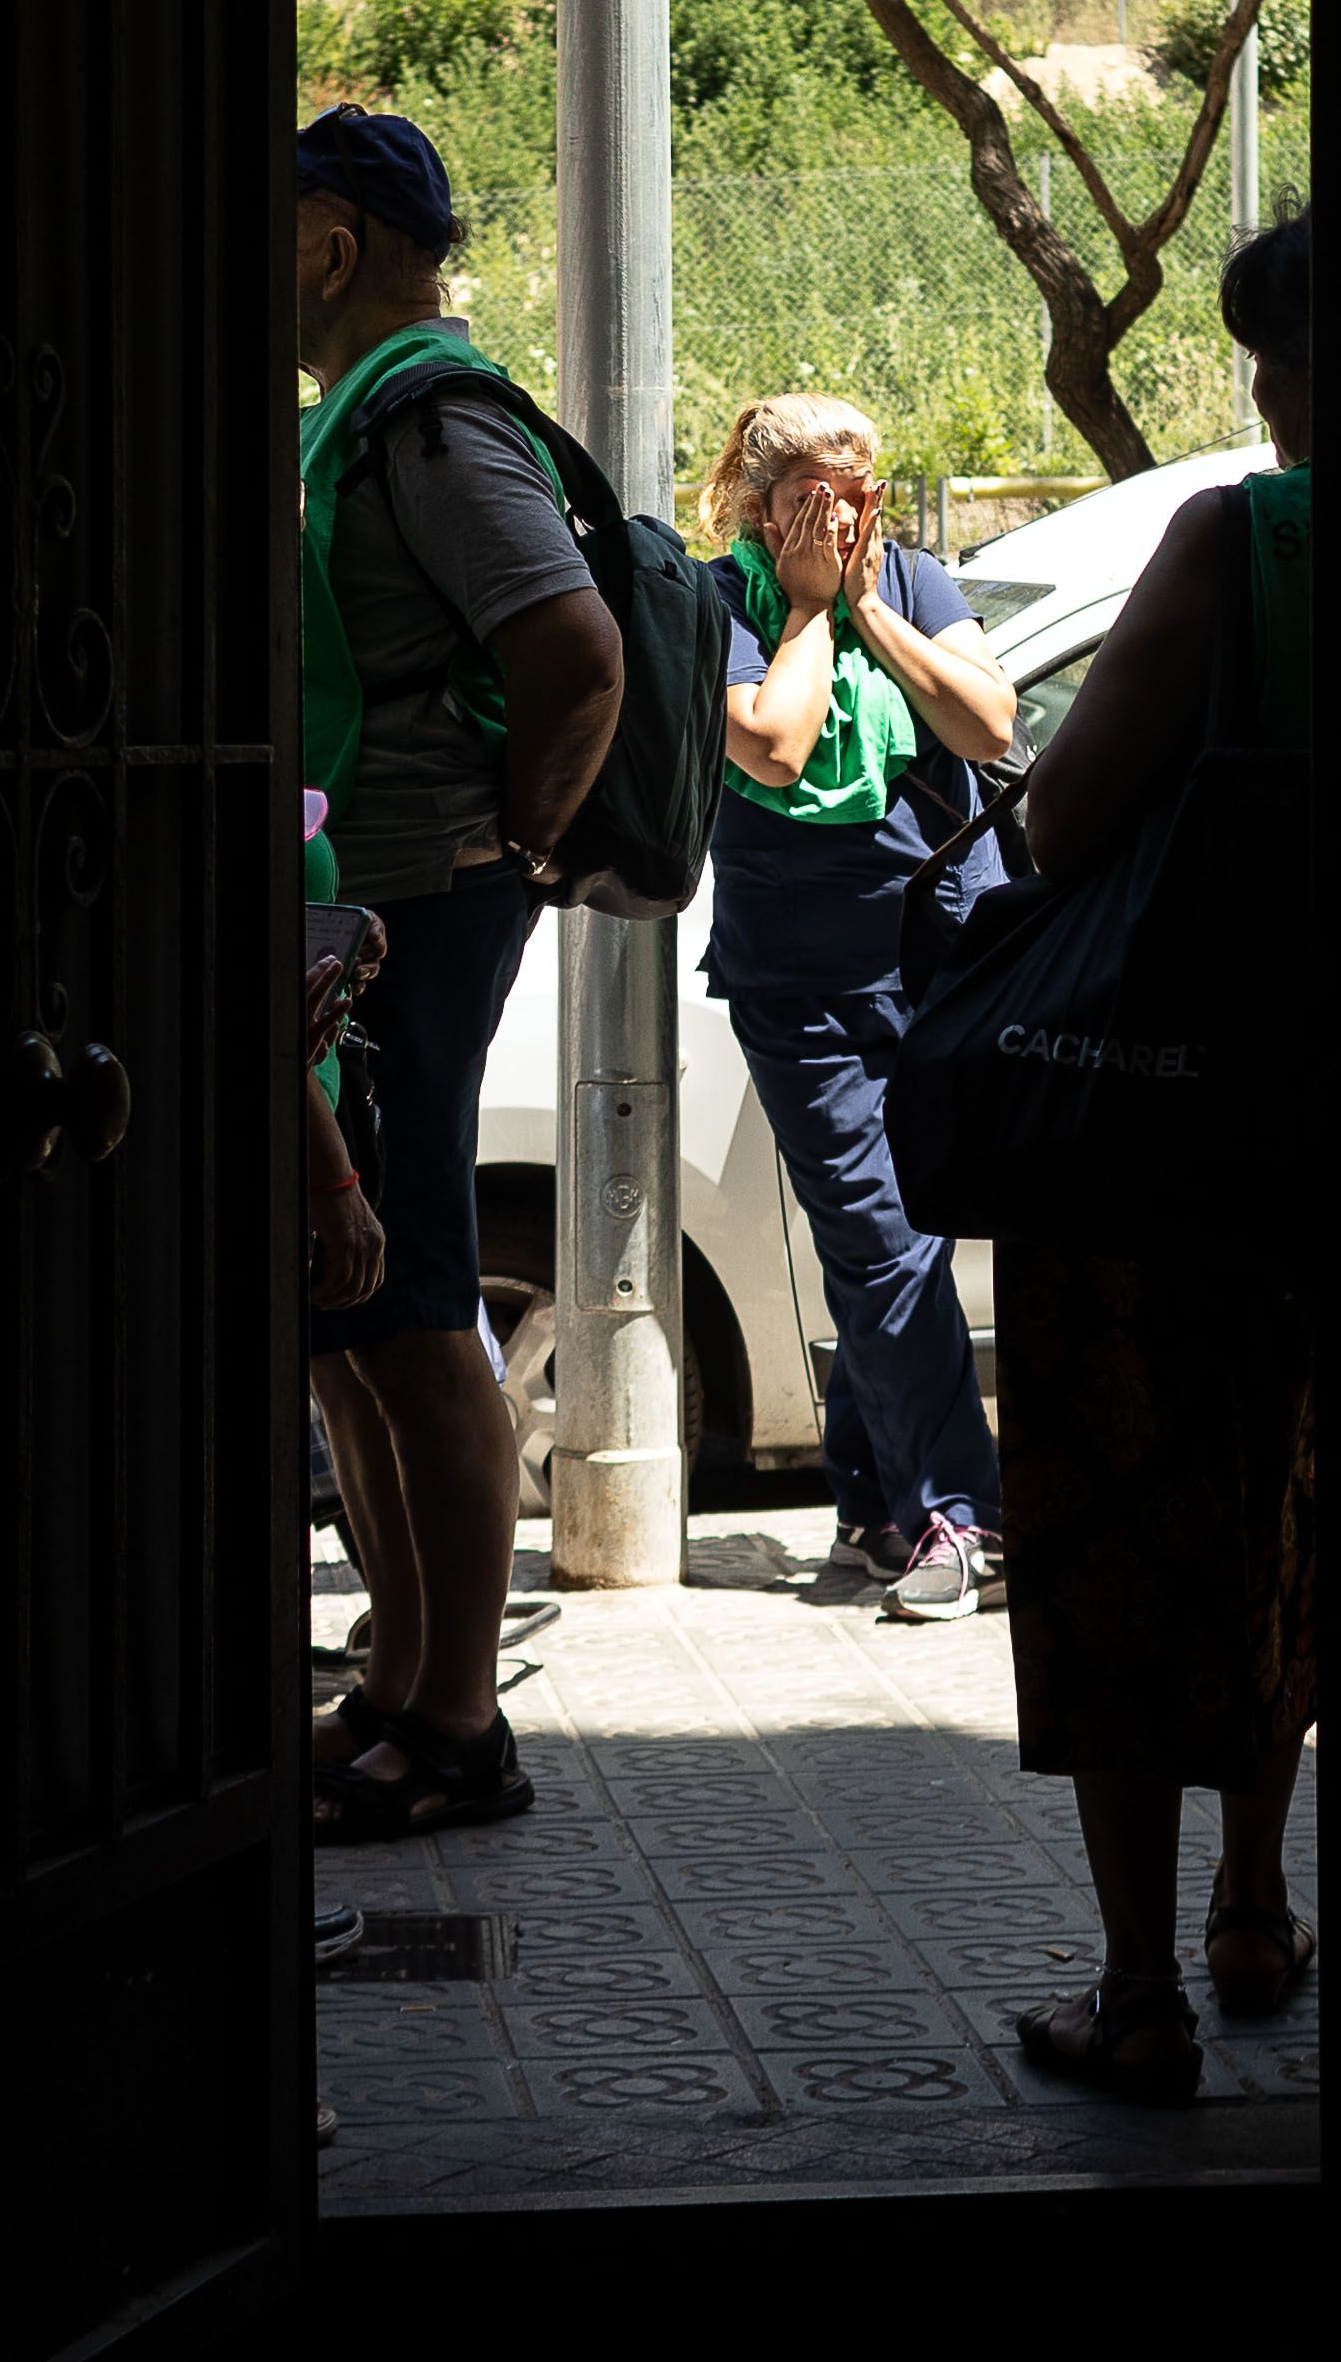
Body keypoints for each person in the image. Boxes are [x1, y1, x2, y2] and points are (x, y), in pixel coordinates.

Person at [993, 210, 1324, 2102]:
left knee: (1125, 1517)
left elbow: (1061, 816)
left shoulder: (1244, 536)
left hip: (1155, 1125)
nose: (1264, 392)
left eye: (1274, 353)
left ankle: (1135, 1992)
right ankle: (1262, 1899)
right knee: (1286, 1504)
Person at [291, 105, 626, 1844]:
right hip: (369, 902)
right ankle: (398, 1681)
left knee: (418, 1317)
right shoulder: (361, 417)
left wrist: (518, 840)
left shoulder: (429, 418)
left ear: (334, 242)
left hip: (417, 902)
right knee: (356, 1316)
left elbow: (573, 651)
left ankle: (455, 1718)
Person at [695, 392, 1020, 1618]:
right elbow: (771, 746)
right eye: (812, 499)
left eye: (860, 492)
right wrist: (813, 610)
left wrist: (874, 607)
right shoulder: (718, 603)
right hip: (800, 985)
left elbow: (984, 724)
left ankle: (870, 1500)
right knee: (879, 1238)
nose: (842, 517)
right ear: (758, 501)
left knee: (896, 1237)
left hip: (937, 962)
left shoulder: (916, 587)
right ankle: (958, 1516)